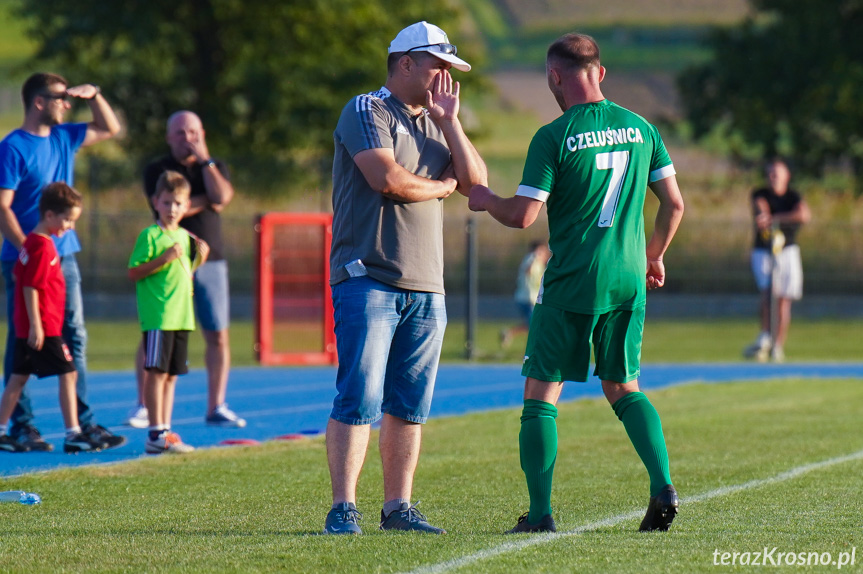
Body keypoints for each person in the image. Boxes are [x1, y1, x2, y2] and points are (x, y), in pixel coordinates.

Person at [468, 33, 685, 533]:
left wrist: (484, 198)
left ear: (554, 78)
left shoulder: (553, 136)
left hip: (571, 282)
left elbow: (524, 216)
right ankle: (663, 485)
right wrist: (653, 256)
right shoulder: (641, 127)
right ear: (601, 73)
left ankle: (540, 513)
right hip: (628, 280)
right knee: (623, 385)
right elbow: (674, 205)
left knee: (541, 395)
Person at [323, 21, 487, 535]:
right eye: (439, 65)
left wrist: (453, 125)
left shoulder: (438, 120)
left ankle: (398, 507)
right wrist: (442, 187)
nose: (446, 77)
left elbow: (477, 185)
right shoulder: (366, 109)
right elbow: (386, 179)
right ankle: (344, 507)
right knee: (360, 396)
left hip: (425, 283)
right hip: (368, 276)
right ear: (407, 63)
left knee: (409, 404)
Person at [0, 72, 125, 452]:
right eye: (60, 97)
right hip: (25, 258)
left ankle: (82, 425)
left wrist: (95, 93)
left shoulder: (64, 137)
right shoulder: (13, 147)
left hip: (65, 256)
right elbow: (2, 206)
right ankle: (21, 427)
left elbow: (110, 128)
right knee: (23, 340)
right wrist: (29, 250)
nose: (66, 104)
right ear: (39, 101)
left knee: (75, 336)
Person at [126, 110, 243, 429]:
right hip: (169, 259)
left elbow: (223, 196)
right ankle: (143, 405)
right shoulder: (158, 169)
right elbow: (166, 207)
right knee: (155, 332)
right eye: (180, 133)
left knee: (217, 333)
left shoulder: (214, 166)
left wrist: (205, 161)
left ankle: (216, 405)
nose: (187, 138)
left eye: (193, 132)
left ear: (202, 133)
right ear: (169, 137)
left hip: (210, 257)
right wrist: (204, 201)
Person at [0, 183, 106, 454]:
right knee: (69, 373)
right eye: (67, 219)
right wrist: (37, 324)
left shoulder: (29, 243)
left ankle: (1, 430)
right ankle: (73, 433)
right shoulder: (43, 247)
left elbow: (17, 275)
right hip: (44, 328)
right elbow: (29, 286)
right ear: (49, 215)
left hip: (28, 328)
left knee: (18, 377)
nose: (69, 226)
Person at [129, 171, 209, 454]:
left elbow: (184, 274)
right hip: (159, 315)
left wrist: (200, 257)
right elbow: (134, 271)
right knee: (156, 372)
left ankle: (165, 428)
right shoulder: (151, 235)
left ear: (187, 205)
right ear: (156, 202)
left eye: (178, 203)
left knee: (172, 375)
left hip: (181, 316)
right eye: (166, 203)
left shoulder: (186, 237)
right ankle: (155, 432)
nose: (172, 209)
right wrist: (163, 259)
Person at [742, 157, 809, 363]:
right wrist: (766, 218)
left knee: (784, 300)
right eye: (769, 174)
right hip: (764, 251)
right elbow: (761, 211)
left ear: (786, 176)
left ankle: (777, 345)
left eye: (776, 174)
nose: (772, 178)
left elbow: (803, 215)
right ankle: (765, 335)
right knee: (769, 292)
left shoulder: (793, 196)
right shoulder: (760, 193)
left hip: (788, 251)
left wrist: (776, 219)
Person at [500, 241, 551, 348]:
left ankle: (510, 333)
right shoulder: (531, 259)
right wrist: (535, 257)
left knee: (533, 324)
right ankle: (533, 348)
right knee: (534, 325)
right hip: (526, 299)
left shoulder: (540, 264)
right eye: (542, 251)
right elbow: (528, 270)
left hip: (532, 299)